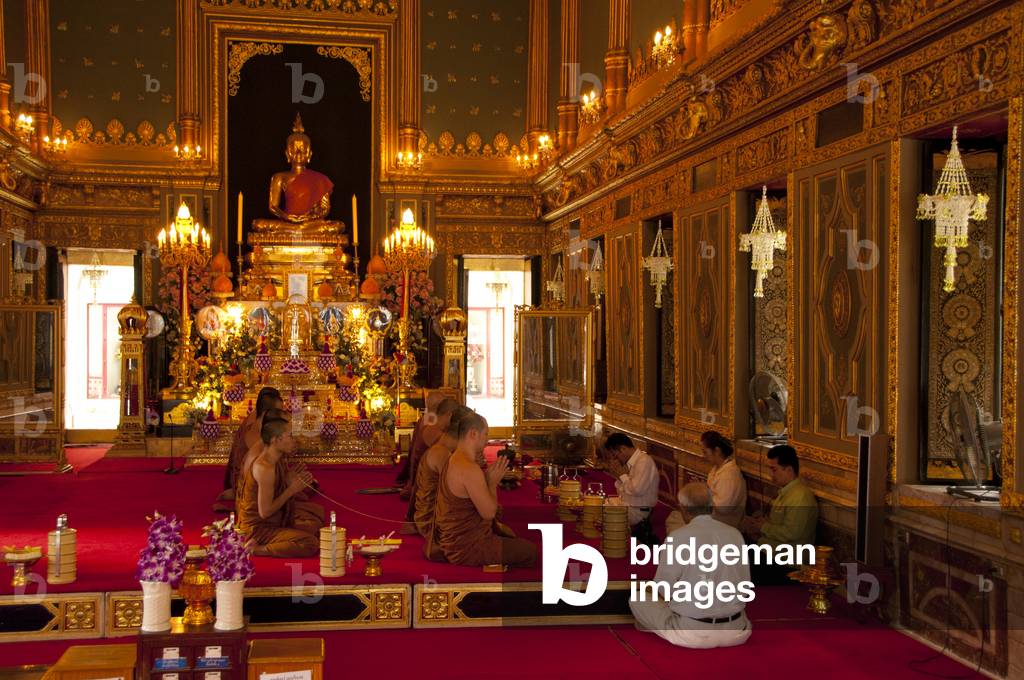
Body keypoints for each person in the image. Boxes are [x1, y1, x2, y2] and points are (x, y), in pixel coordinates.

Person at [630, 483, 752, 649]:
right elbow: (745, 585)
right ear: (712, 506)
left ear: (683, 509)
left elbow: (663, 589)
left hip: (692, 634)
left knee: (637, 599)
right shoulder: (735, 534)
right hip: (737, 631)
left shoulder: (678, 537)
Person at [425, 412, 537, 567]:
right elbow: (489, 513)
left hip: (455, 541)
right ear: (473, 434)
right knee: (531, 552)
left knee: (512, 537)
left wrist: (487, 478)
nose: (487, 440)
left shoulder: (454, 458)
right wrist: (492, 483)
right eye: (485, 434)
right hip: (468, 548)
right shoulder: (469, 468)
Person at [236, 415, 325, 557]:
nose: (294, 441)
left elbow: (274, 491)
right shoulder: (264, 467)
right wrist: (291, 490)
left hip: (273, 523)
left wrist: (287, 481)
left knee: (316, 528)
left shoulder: (276, 460)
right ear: (275, 440)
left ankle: (271, 541)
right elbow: (265, 512)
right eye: (290, 436)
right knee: (310, 543)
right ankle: (256, 549)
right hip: (258, 529)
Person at [745, 445, 818, 584]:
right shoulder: (786, 492)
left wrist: (763, 527)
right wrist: (760, 525)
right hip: (771, 553)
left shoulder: (800, 496)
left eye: (774, 469)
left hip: (786, 562)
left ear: (789, 470)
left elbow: (791, 533)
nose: (771, 474)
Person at [665, 431, 747, 534]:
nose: (703, 455)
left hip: (722, 525)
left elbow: (723, 508)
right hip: (712, 519)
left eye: (705, 452)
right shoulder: (717, 469)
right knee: (675, 516)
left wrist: (702, 494)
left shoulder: (730, 475)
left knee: (676, 523)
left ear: (717, 451)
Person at [215, 387, 282, 507]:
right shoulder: (258, 429)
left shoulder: (258, 418)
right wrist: (290, 487)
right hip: (251, 487)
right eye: (278, 411)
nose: (281, 415)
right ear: (266, 412)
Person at [413, 405, 471, 538]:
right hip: (432, 522)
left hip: (440, 514)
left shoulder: (446, 448)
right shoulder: (441, 453)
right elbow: (456, 494)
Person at [402, 397, 461, 520]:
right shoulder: (436, 434)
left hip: (421, 489)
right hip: (427, 501)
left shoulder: (431, 426)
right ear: (449, 415)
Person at [606, 433, 659, 545]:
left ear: (623, 449)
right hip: (631, 505)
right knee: (599, 505)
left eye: (615, 455)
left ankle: (617, 544)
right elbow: (622, 492)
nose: (616, 459)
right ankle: (615, 542)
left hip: (639, 510)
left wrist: (622, 476)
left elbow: (637, 490)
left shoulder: (644, 461)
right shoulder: (632, 462)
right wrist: (619, 476)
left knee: (605, 511)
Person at [395, 391, 447, 492]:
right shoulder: (433, 423)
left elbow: (413, 452)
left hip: (420, 472)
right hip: (425, 478)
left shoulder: (425, 419)